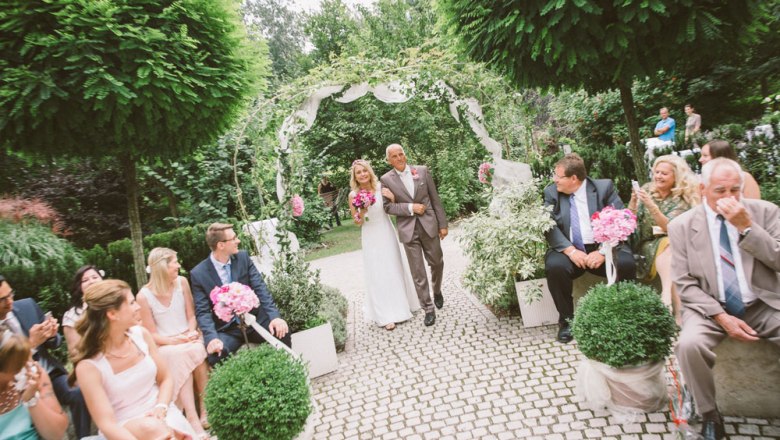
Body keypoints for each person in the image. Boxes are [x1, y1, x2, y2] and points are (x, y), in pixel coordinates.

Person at [669, 158, 780, 440]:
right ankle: (709, 414)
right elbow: (684, 283)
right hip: (709, 308)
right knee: (689, 344)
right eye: (721, 190)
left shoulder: (765, 213)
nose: (729, 198)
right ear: (703, 188)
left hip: (762, 303)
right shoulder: (682, 225)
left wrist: (748, 228)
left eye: (735, 190)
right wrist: (720, 316)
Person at [72, 279, 197, 439]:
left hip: (162, 413)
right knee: (153, 429)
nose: (138, 307)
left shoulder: (142, 336)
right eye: (131, 303)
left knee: (161, 429)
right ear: (112, 314)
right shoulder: (89, 367)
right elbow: (107, 424)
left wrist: (161, 407)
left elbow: (165, 378)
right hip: (122, 429)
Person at [543, 153, 637, 343]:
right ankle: (567, 322)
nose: (554, 180)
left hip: (602, 246)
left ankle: (624, 318)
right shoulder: (552, 192)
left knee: (626, 264)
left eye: (558, 176)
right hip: (569, 249)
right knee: (555, 267)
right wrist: (570, 250)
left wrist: (604, 251)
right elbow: (548, 225)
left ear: (573, 178)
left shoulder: (603, 188)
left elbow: (621, 220)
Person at [0, 274, 91, 439]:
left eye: (10, 294)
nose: (9, 302)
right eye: (2, 300)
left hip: (49, 373)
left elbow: (55, 343)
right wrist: (31, 343)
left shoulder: (27, 305)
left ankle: (84, 436)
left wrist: (51, 335)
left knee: (78, 393)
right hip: (13, 383)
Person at [190, 223, 291, 366]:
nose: (238, 241)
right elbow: (202, 311)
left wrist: (274, 317)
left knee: (282, 332)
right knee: (216, 355)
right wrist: (212, 338)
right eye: (234, 238)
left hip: (255, 320)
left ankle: (287, 374)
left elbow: (261, 289)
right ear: (221, 245)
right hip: (228, 330)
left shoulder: (243, 258)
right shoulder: (199, 273)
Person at [137, 248, 209, 436]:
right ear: (162, 267)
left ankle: (204, 408)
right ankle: (192, 419)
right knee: (179, 355)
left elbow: (191, 314)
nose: (178, 265)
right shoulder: (144, 296)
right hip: (165, 344)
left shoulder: (181, 283)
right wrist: (173, 340)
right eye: (174, 262)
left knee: (197, 348)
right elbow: (150, 333)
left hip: (189, 335)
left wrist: (192, 331)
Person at [380, 144, 448, 327]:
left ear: (405, 155)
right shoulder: (386, 179)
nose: (399, 158)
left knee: (437, 262)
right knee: (417, 272)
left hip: (429, 224)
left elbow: (435, 199)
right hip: (408, 230)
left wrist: (443, 224)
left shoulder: (422, 171)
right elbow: (387, 207)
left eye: (401, 154)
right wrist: (410, 208)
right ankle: (428, 308)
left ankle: (437, 290)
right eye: (394, 156)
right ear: (389, 160)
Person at [350, 159, 421, 331]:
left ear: (369, 171)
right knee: (377, 272)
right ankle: (385, 314)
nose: (362, 174)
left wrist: (393, 197)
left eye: (365, 170)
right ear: (355, 176)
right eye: (358, 172)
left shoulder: (381, 187)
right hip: (370, 235)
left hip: (386, 231)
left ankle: (403, 306)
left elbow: (392, 207)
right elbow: (357, 222)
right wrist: (362, 210)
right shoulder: (353, 195)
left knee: (393, 267)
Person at [629, 155, 700, 321]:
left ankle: (668, 298)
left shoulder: (682, 198)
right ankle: (676, 309)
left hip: (678, 245)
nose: (658, 176)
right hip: (645, 244)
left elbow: (671, 228)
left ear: (676, 176)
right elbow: (630, 221)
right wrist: (633, 202)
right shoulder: (647, 189)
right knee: (670, 247)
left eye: (664, 173)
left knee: (670, 244)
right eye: (656, 172)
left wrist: (651, 206)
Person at [0, 330, 69, 440]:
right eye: (17, 365)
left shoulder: (33, 377)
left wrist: (32, 399)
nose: (27, 367)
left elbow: (56, 434)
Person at [63, 265, 104, 360]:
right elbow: (74, 352)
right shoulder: (71, 316)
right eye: (85, 280)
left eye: (95, 277)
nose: (92, 282)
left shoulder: (115, 303)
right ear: (79, 287)